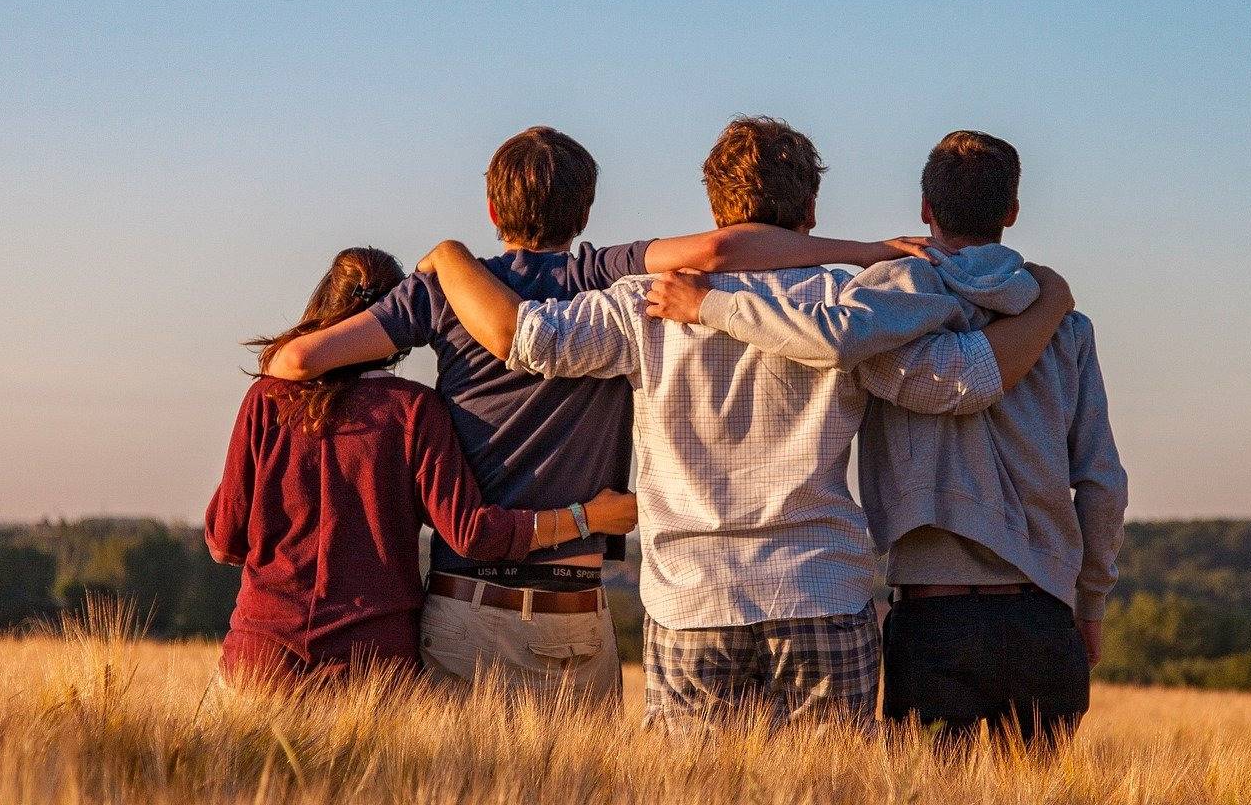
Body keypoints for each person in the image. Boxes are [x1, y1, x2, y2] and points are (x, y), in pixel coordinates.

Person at [420, 117, 1076, 731]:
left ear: (715, 208)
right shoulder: (850, 305)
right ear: (810, 212)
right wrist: (1049, 305)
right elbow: (961, 381)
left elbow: (525, 339)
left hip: (691, 600)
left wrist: (451, 258)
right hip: (820, 589)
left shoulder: (642, 304)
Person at [258, 126, 944, 700]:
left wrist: (436, 277)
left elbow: (295, 364)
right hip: (587, 605)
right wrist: (867, 251)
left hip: (479, 601)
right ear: (585, 212)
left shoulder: (448, 292)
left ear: (492, 210)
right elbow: (719, 251)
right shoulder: (604, 276)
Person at [645, 130, 1127, 747]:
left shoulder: (882, 306)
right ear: (1011, 213)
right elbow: (1102, 483)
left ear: (925, 209)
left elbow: (832, 339)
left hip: (932, 615)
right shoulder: (1065, 326)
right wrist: (1089, 605)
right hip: (1044, 614)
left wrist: (711, 305)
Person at [204, 246, 637, 688]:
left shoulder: (267, 400)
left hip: (260, 658)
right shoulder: (414, 411)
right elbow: (472, 534)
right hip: (372, 668)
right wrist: (589, 517)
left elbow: (224, 541)